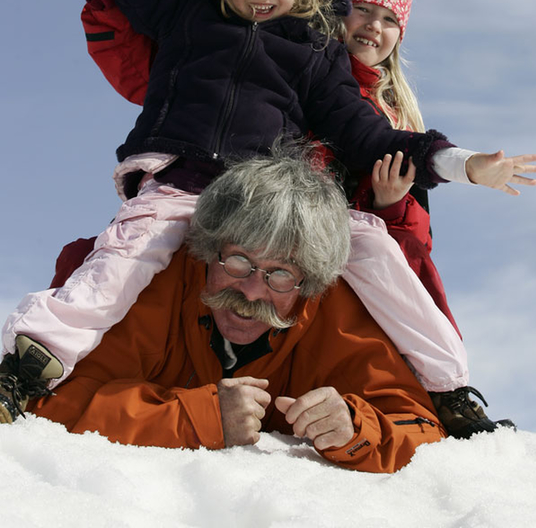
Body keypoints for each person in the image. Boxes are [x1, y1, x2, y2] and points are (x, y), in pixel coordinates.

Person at [0, 0, 536, 427]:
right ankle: (22, 370)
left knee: (375, 248)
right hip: (181, 177)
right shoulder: (183, 8)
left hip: (268, 195)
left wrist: (460, 163)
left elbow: (362, 131)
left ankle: (450, 393)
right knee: (124, 257)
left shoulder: (313, 49)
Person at [29, 149, 448, 473]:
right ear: (207, 249)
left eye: (280, 275)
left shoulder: (338, 311)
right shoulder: (145, 287)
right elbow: (47, 402)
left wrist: (357, 428)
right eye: (237, 262)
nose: (251, 291)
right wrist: (197, 417)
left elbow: (425, 432)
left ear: (312, 280)